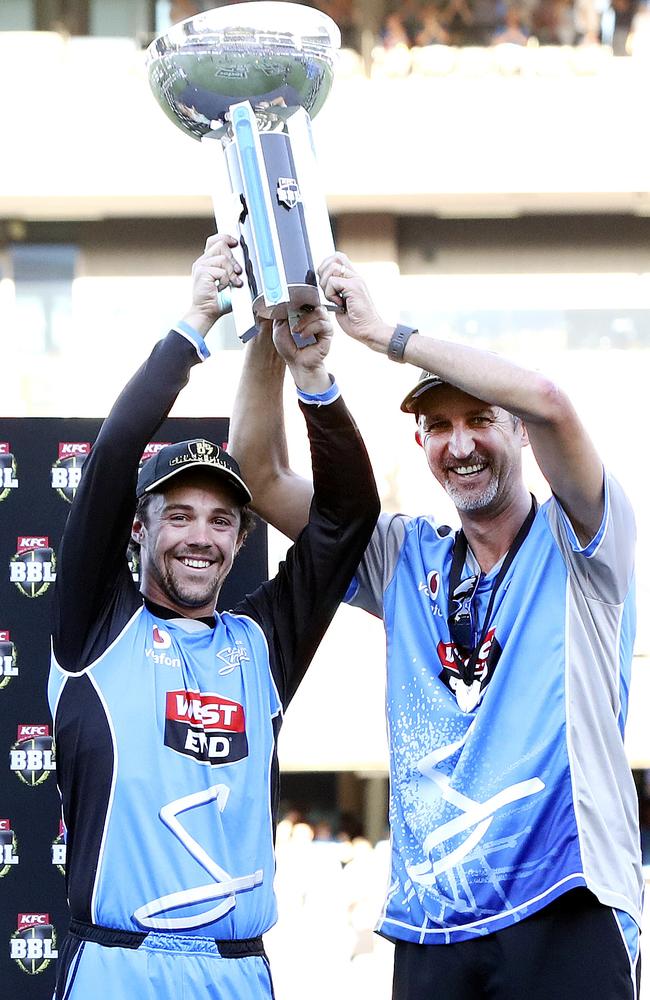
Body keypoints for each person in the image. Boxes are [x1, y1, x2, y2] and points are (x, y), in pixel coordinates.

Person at [228, 252, 643, 999]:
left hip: (567, 902)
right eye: (439, 426)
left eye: (480, 418)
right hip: (432, 924)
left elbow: (551, 397)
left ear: (517, 434)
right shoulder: (404, 557)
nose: (459, 444)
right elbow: (255, 476)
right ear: (419, 446)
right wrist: (270, 336)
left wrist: (386, 336)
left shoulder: (583, 541)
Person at [48, 235, 379, 999]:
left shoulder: (260, 645)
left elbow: (346, 518)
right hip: (117, 967)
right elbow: (113, 458)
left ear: (239, 540)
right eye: (181, 515)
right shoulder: (96, 627)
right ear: (141, 527)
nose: (201, 536)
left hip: (235, 973)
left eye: (223, 521)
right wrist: (195, 322)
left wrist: (313, 375)